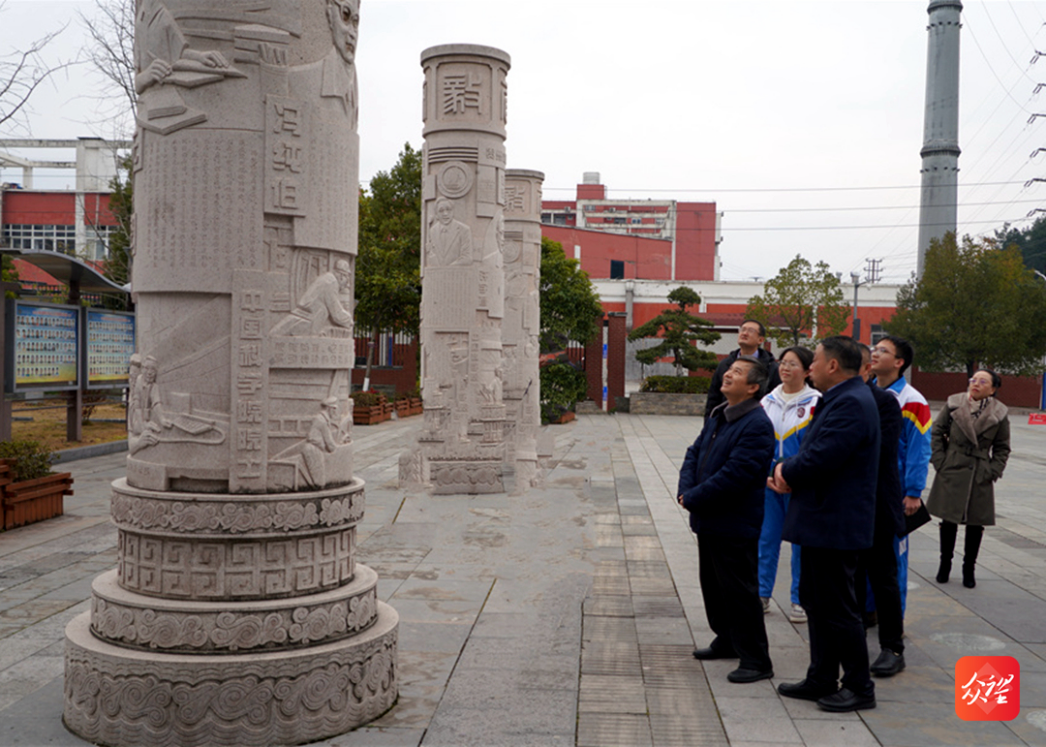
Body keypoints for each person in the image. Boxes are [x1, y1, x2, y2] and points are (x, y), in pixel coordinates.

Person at [769, 336, 879, 712]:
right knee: (816, 601)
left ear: (833, 365)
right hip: (821, 518)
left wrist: (784, 470)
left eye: (814, 360)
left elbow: (821, 456)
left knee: (838, 607)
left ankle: (859, 686)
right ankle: (821, 676)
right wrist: (789, 470)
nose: (810, 366)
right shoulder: (840, 398)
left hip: (835, 522)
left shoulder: (851, 402)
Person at [679, 356, 776, 684]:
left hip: (734, 521)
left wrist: (693, 497)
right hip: (708, 518)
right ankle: (727, 639)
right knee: (714, 586)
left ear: (753, 387)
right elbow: (694, 452)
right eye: (729, 370)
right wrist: (685, 489)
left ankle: (756, 659)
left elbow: (735, 475)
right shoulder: (720, 414)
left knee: (739, 591)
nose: (728, 374)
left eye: (737, 372)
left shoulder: (757, 424)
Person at [926, 369, 1011, 588]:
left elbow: (1002, 447)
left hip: (979, 470)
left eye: (983, 381)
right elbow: (936, 432)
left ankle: (969, 568)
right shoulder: (954, 404)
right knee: (948, 520)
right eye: (974, 379)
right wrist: (940, 461)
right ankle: (945, 564)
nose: (976, 384)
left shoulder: (999, 413)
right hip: (953, 466)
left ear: (992, 389)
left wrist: (993, 470)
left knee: (975, 522)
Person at [869, 335, 931, 619]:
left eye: (883, 350)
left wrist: (914, 491)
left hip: (895, 492)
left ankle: (892, 617)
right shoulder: (864, 392)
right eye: (875, 348)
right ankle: (868, 609)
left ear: (899, 362)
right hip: (866, 488)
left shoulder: (912, 400)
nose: (874, 353)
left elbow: (920, 449)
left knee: (893, 558)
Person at [757, 346, 820, 624]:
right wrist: (767, 475)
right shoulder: (767, 401)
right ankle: (761, 594)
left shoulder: (817, 403)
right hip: (770, 484)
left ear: (807, 371)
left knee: (801, 545)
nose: (785, 368)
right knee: (766, 539)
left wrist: (797, 475)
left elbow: (816, 447)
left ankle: (800, 599)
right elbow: (757, 443)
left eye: (793, 364)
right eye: (783, 362)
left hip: (801, 485)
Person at [857, 344, 907, 677]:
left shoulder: (885, 403)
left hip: (875, 505)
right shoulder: (827, 401)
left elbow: (880, 452)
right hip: (842, 507)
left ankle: (892, 647)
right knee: (850, 577)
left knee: (882, 577)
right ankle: (852, 635)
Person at [704, 320, 781, 417]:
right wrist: (710, 423)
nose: (745, 333)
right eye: (742, 330)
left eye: (751, 331)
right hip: (726, 419)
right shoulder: (725, 364)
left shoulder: (771, 368)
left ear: (760, 340)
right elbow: (713, 399)